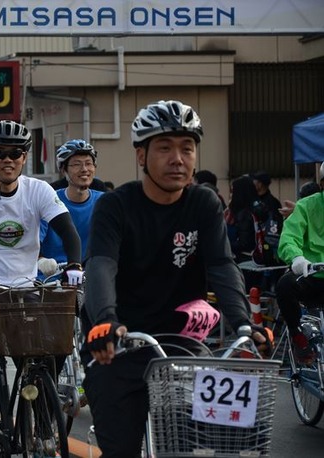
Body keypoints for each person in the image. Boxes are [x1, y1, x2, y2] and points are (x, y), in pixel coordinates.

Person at [82, 100, 268, 457]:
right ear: (141, 156)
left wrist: (245, 324)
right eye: (164, 148)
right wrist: (105, 320)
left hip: (182, 344)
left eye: (187, 148)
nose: (178, 159)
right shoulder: (115, 205)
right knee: (120, 448)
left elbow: (222, 266)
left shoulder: (204, 203)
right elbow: (101, 265)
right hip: (118, 344)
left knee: (187, 448)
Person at [0, 120, 84, 436]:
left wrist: (74, 264)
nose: (8, 160)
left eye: (16, 153)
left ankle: (39, 400)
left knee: (56, 340)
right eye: (0, 153)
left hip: (24, 288)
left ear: (24, 157)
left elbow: (67, 230)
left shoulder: (39, 190)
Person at [39, 139, 104, 276]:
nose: (84, 169)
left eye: (89, 164)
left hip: (92, 277)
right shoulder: (49, 200)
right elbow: (32, 242)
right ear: (63, 170)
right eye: (76, 164)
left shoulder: (104, 202)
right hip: (52, 279)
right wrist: (41, 260)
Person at [275, 184, 324, 365]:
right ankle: (297, 337)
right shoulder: (305, 206)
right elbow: (289, 236)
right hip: (309, 274)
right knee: (285, 286)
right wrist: (296, 257)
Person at [225, 175, 259, 263]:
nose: (230, 195)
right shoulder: (255, 208)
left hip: (244, 259)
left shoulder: (244, 215)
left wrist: (223, 245)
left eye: (233, 191)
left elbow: (244, 243)